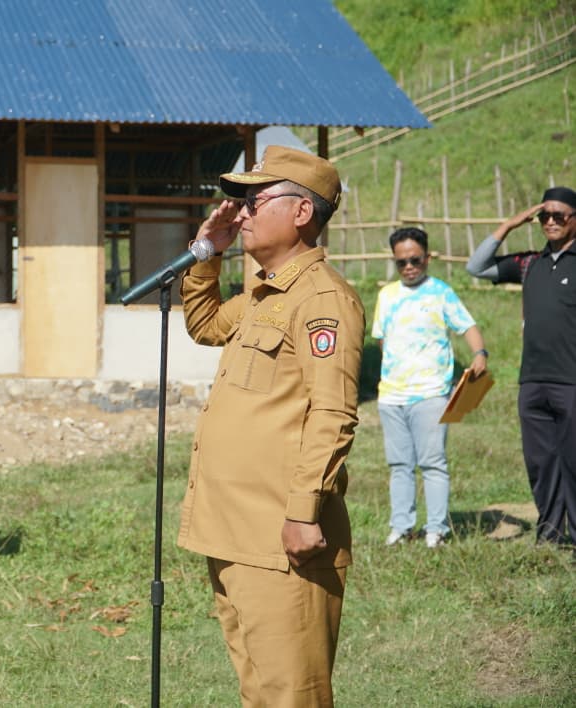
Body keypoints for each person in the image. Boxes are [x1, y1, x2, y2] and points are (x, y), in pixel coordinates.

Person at [178, 146, 364, 706]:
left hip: (283, 540)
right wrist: (206, 253)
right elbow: (205, 324)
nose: (242, 212)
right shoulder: (263, 293)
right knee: (258, 691)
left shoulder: (323, 298)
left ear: (301, 213)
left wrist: (303, 513)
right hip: (234, 533)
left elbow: (333, 414)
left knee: (292, 696)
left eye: (254, 200)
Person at [466, 186, 576, 545]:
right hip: (532, 382)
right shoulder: (529, 263)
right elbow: (476, 267)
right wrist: (508, 226)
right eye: (544, 215)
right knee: (541, 462)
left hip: (571, 381)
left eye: (559, 215)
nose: (550, 222)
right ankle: (550, 533)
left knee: (573, 461)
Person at [373, 228, 488, 548]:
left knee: (432, 462)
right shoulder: (387, 295)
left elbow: (468, 326)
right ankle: (401, 527)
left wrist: (480, 354)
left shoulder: (441, 293)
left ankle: (436, 529)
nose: (409, 267)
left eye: (415, 260)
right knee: (399, 465)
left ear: (427, 258)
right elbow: (383, 338)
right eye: (402, 262)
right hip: (391, 395)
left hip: (431, 394)